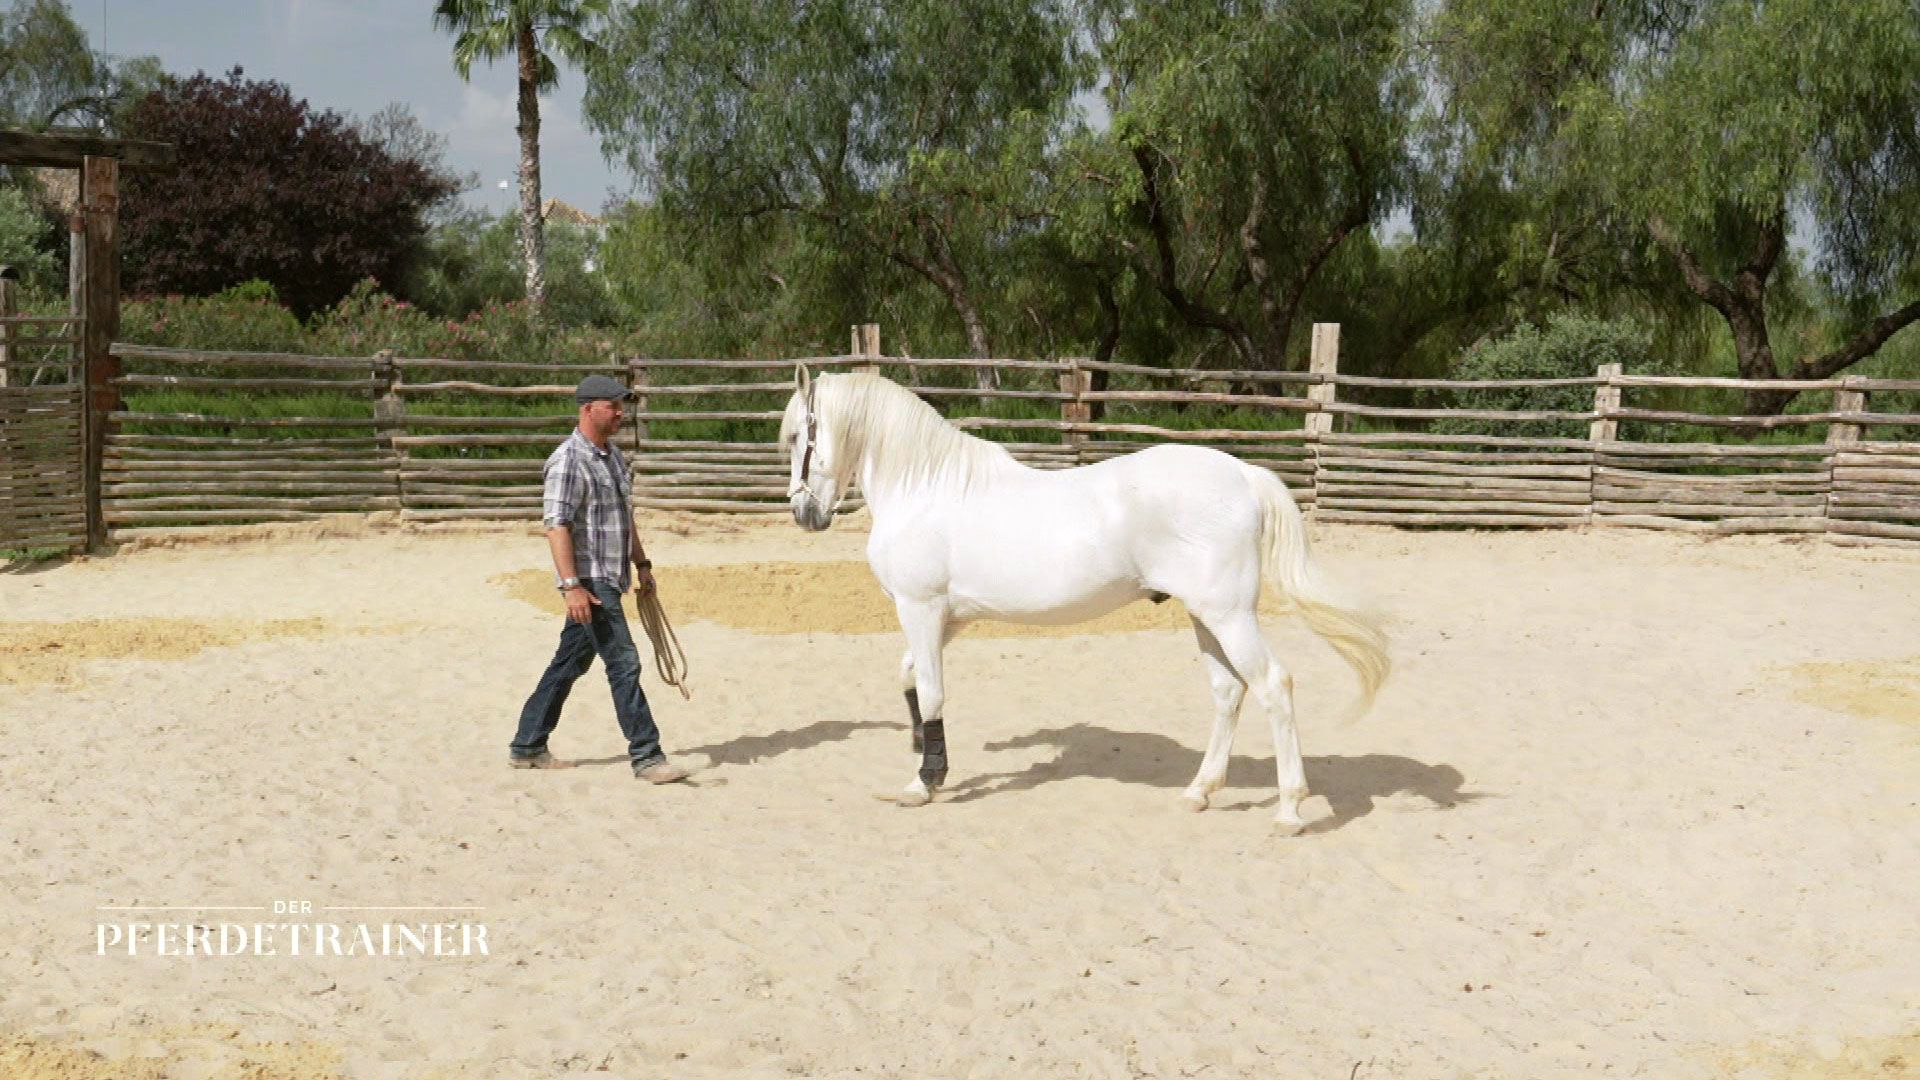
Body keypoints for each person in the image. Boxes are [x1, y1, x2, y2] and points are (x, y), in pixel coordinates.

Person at [509, 374, 690, 784]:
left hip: (612, 574)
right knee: (624, 662)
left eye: (622, 406)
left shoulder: (612, 457)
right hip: (591, 581)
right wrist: (571, 585)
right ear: (589, 408)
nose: (621, 413)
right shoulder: (567, 461)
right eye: (614, 406)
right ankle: (647, 756)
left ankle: (527, 745)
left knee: (569, 663)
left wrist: (642, 564)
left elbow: (623, 518)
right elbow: (556, 525)